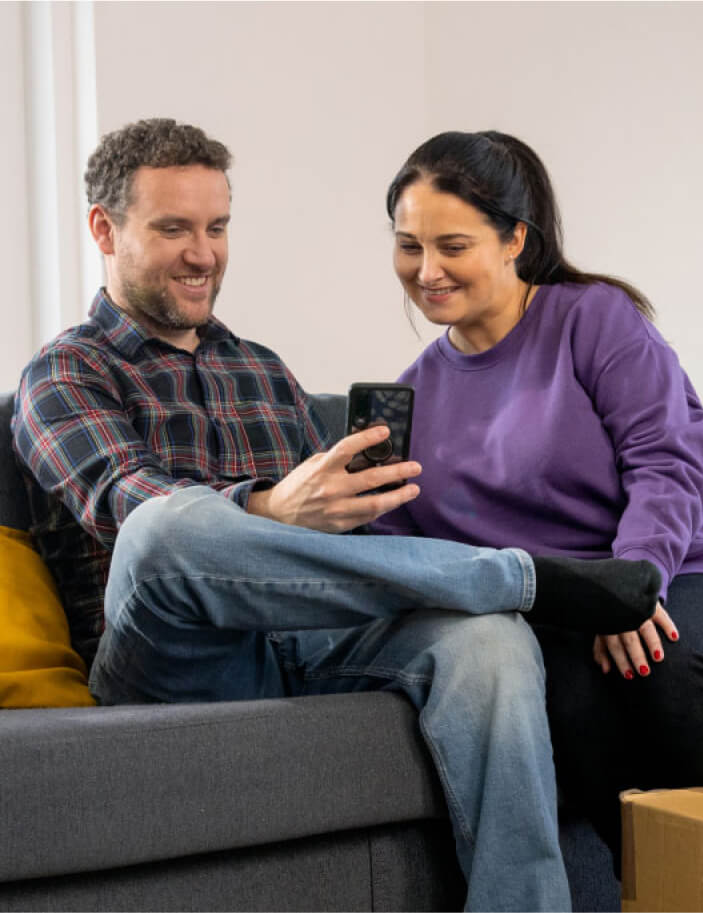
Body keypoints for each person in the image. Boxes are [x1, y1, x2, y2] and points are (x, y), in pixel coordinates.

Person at [11, 119, 667, 912]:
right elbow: (125, 507)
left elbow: (340, 552)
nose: (203, 254)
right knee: (163, 528)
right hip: (172, 654)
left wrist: (357, 507)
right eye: (174, 229)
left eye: (217, 227)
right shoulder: (64, 374)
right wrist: (270, 507)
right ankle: (525, 579)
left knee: (489, 641)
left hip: (305, 640)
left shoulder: (262, 370)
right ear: (104, 230)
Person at [373, 130, 703, 870]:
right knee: (561, 693)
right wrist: (335, 512)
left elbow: (666, 457)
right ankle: (666, 891)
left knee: (658, 659)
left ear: (514, 239)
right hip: (560, 617)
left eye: (453, 246)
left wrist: (630, 586)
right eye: (409, 246)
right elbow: (401, 551)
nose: (427, 271)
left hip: (684, 573)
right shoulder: (407, 399)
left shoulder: (593, 319)